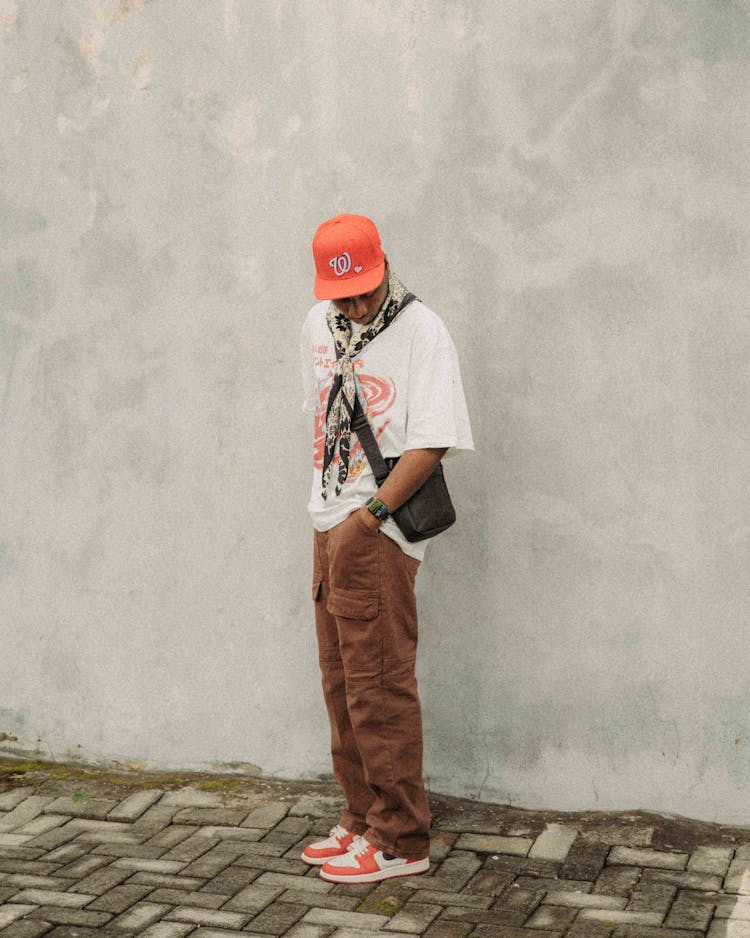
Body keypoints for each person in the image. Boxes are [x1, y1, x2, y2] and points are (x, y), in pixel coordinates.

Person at [299, 213, 473, 884]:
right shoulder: (317, 326)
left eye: (363, 291)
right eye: (340, 295)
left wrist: (367, 519)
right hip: (327, 522)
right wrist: (328, 522)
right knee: (341, 686)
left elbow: (432, 439)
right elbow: (319, 419)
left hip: (376, 529)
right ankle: (362, 817)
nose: (353, 305)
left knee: (379, 688)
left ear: (384, 265)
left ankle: (401, 839)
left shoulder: (421, 330)